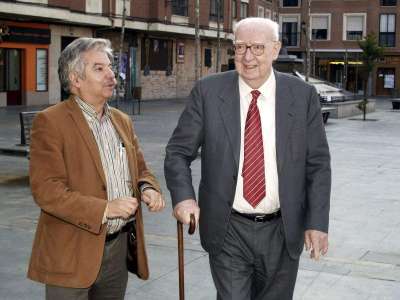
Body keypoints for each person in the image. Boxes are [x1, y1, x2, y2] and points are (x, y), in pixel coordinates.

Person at [164, 18, 331, 300]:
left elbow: (317, 164)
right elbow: (178, 152)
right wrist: (184, 198)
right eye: (240, 47)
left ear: (276, 49)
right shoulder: (208, 92)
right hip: (228, 227)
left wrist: (316, 223)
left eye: (257, 47)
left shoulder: (302, 96)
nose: (248, 57)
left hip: (283, 228)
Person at [27, 37, 165, 300]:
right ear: (75, 79)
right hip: (71, 250)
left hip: (117, 249)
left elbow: (141, 171)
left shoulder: (122, 121)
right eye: (99, 68)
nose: (111, 74)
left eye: (110, 67)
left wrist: (148, 188)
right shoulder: (51, 122)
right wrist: (105, 208)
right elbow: (47, 191)